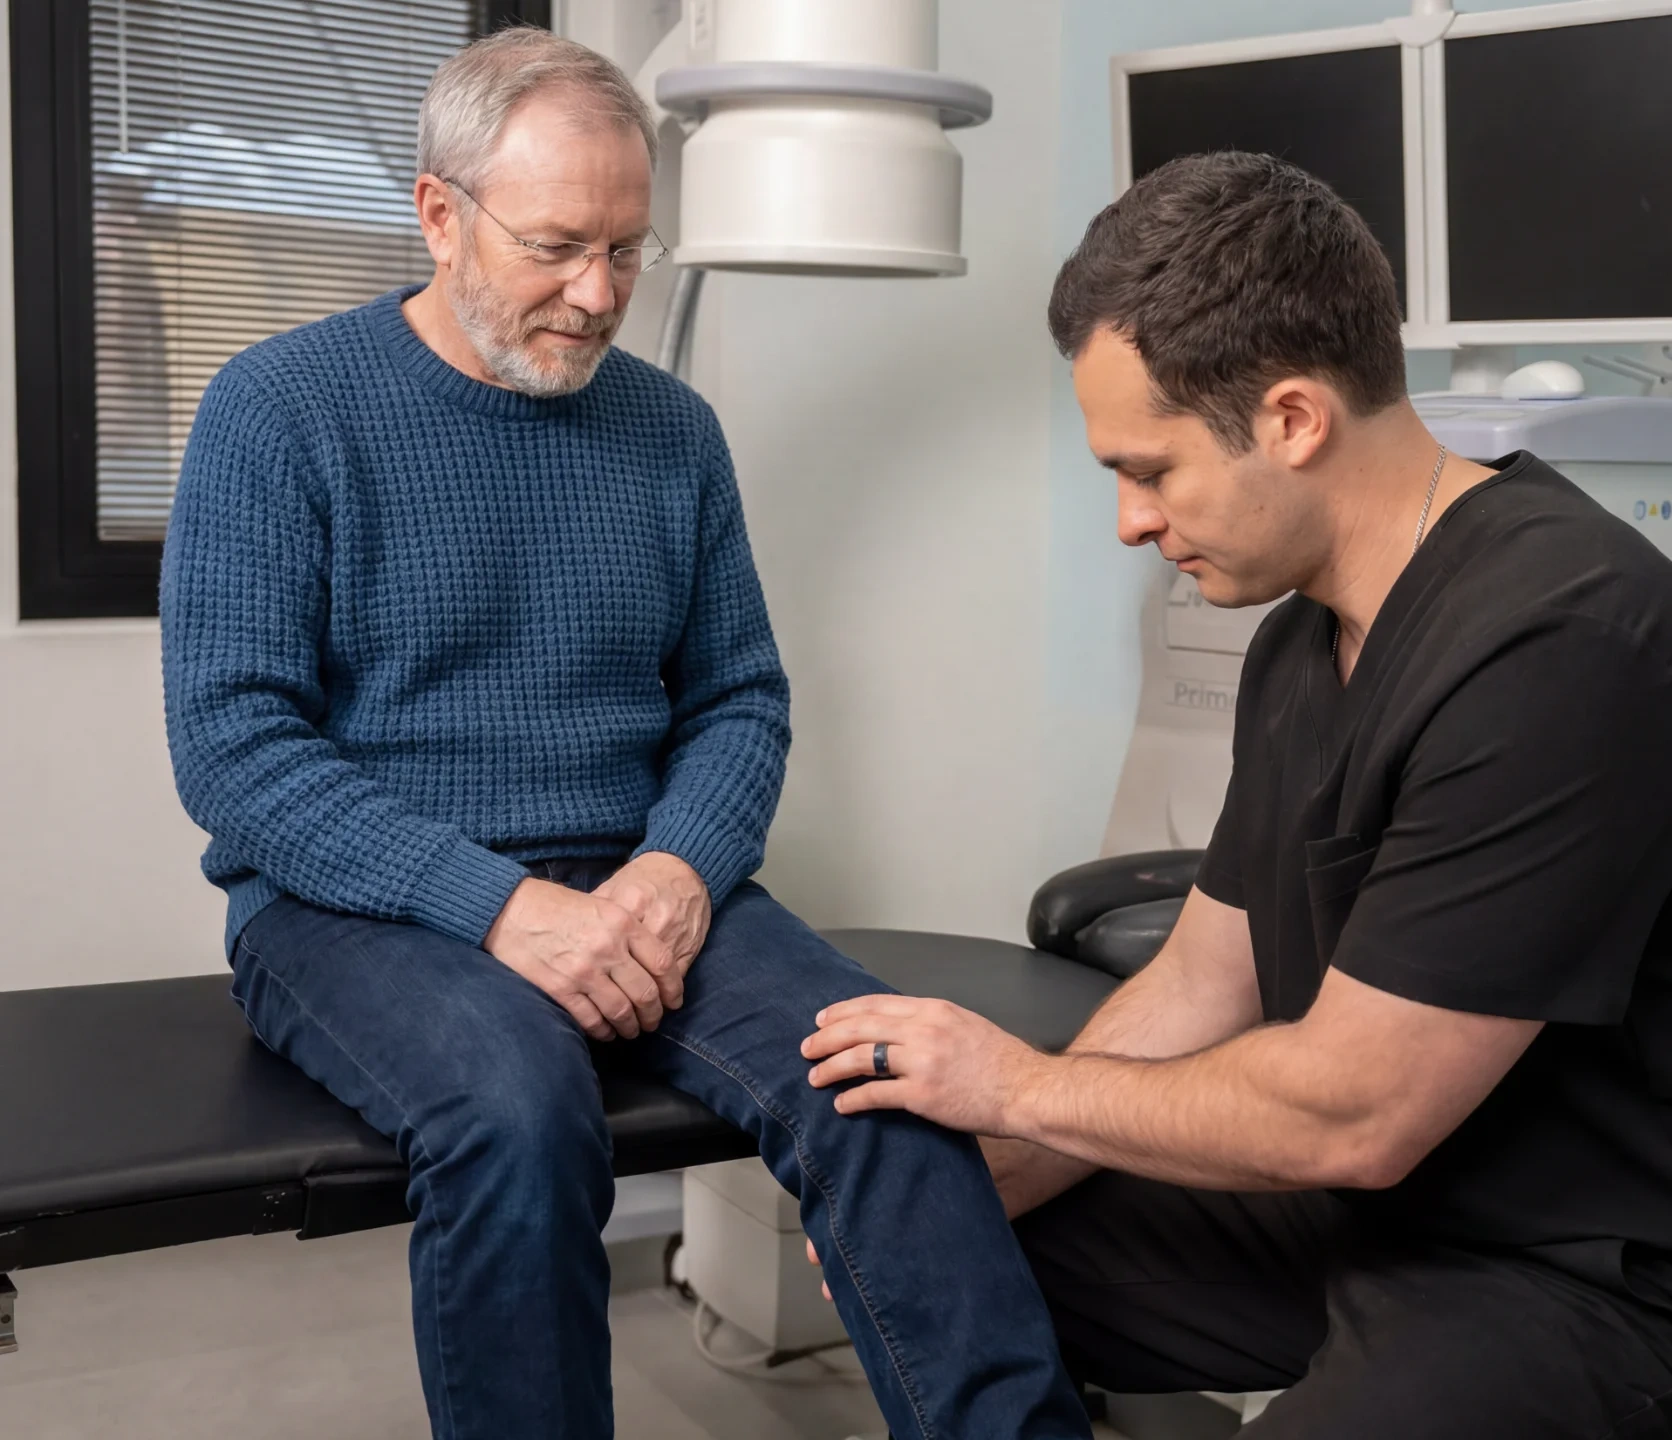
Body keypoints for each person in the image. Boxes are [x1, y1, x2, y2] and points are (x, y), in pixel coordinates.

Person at [804, 152, 1672, 1438]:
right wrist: (999, 1168)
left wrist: (1012, 1088)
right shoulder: (1301, 644)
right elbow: (1206, 981)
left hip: (1639, 1285)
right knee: (925, 1248)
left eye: (1152, 470)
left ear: (1294, 420)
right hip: (1402, 1209)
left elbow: (1357, 1112)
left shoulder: (1560, 644)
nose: (1131, 521)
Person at [159, 28, 1088, 1440]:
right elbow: (235, 750)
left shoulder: (674, 434)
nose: (597, 295)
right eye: (554, 248)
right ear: (439, 216)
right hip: (354, 906)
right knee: (516, 1108)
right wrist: (499, 907)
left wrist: (676, 871)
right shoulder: (276, 410)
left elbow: (738, 700)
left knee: (886, 1078)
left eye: (625, 251)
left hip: (638, 881)